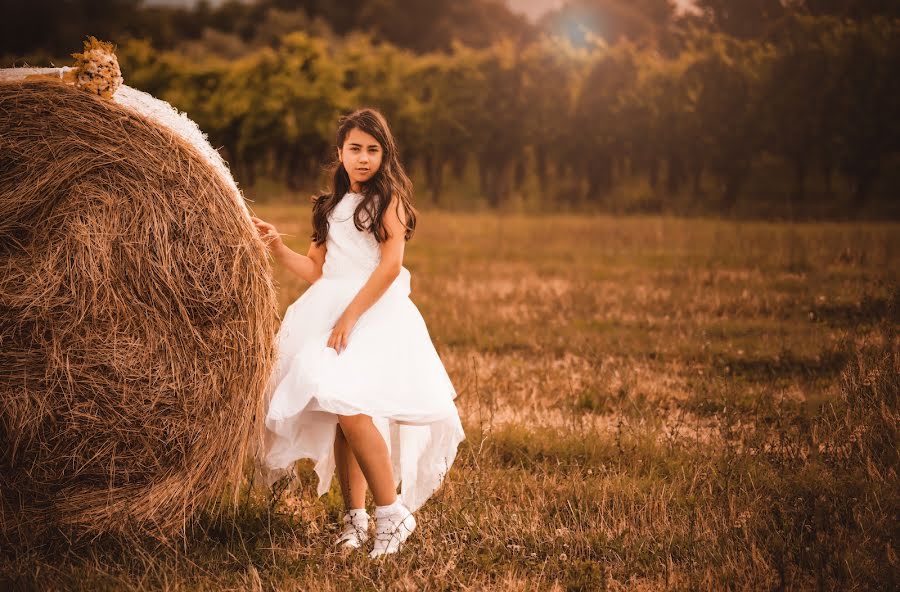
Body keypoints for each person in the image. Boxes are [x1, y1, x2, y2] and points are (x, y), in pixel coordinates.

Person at [251, 108, 465, 559]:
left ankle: (392, 514)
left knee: (350, 406)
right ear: (340, 153)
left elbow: (390, 267)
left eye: (373, 149)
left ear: (385, 154)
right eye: (355, 149)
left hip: (374, 313)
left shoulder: (388, 202)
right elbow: (315, 270)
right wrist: (275, 247)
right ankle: (356, 519)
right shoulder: (327, 207)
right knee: (338, 407)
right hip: (329, 311)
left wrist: (349, 316)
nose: (363, 158)